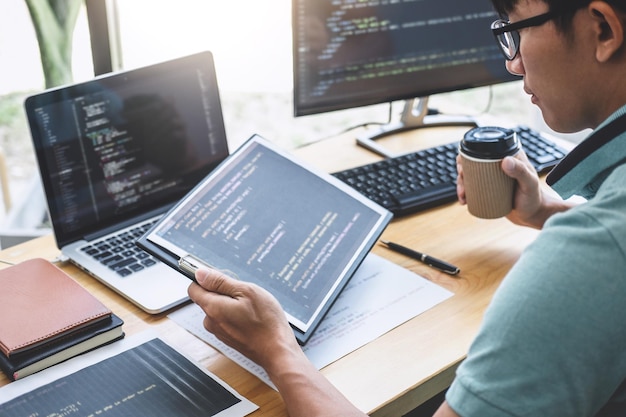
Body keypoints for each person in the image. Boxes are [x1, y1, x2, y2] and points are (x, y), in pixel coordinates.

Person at [188, 0, 626, 415]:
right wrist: (546, 213)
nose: (512, 63)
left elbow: (605, 253)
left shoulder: (593, 251)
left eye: (514, 30)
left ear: (602, 29)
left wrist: (277, 350)